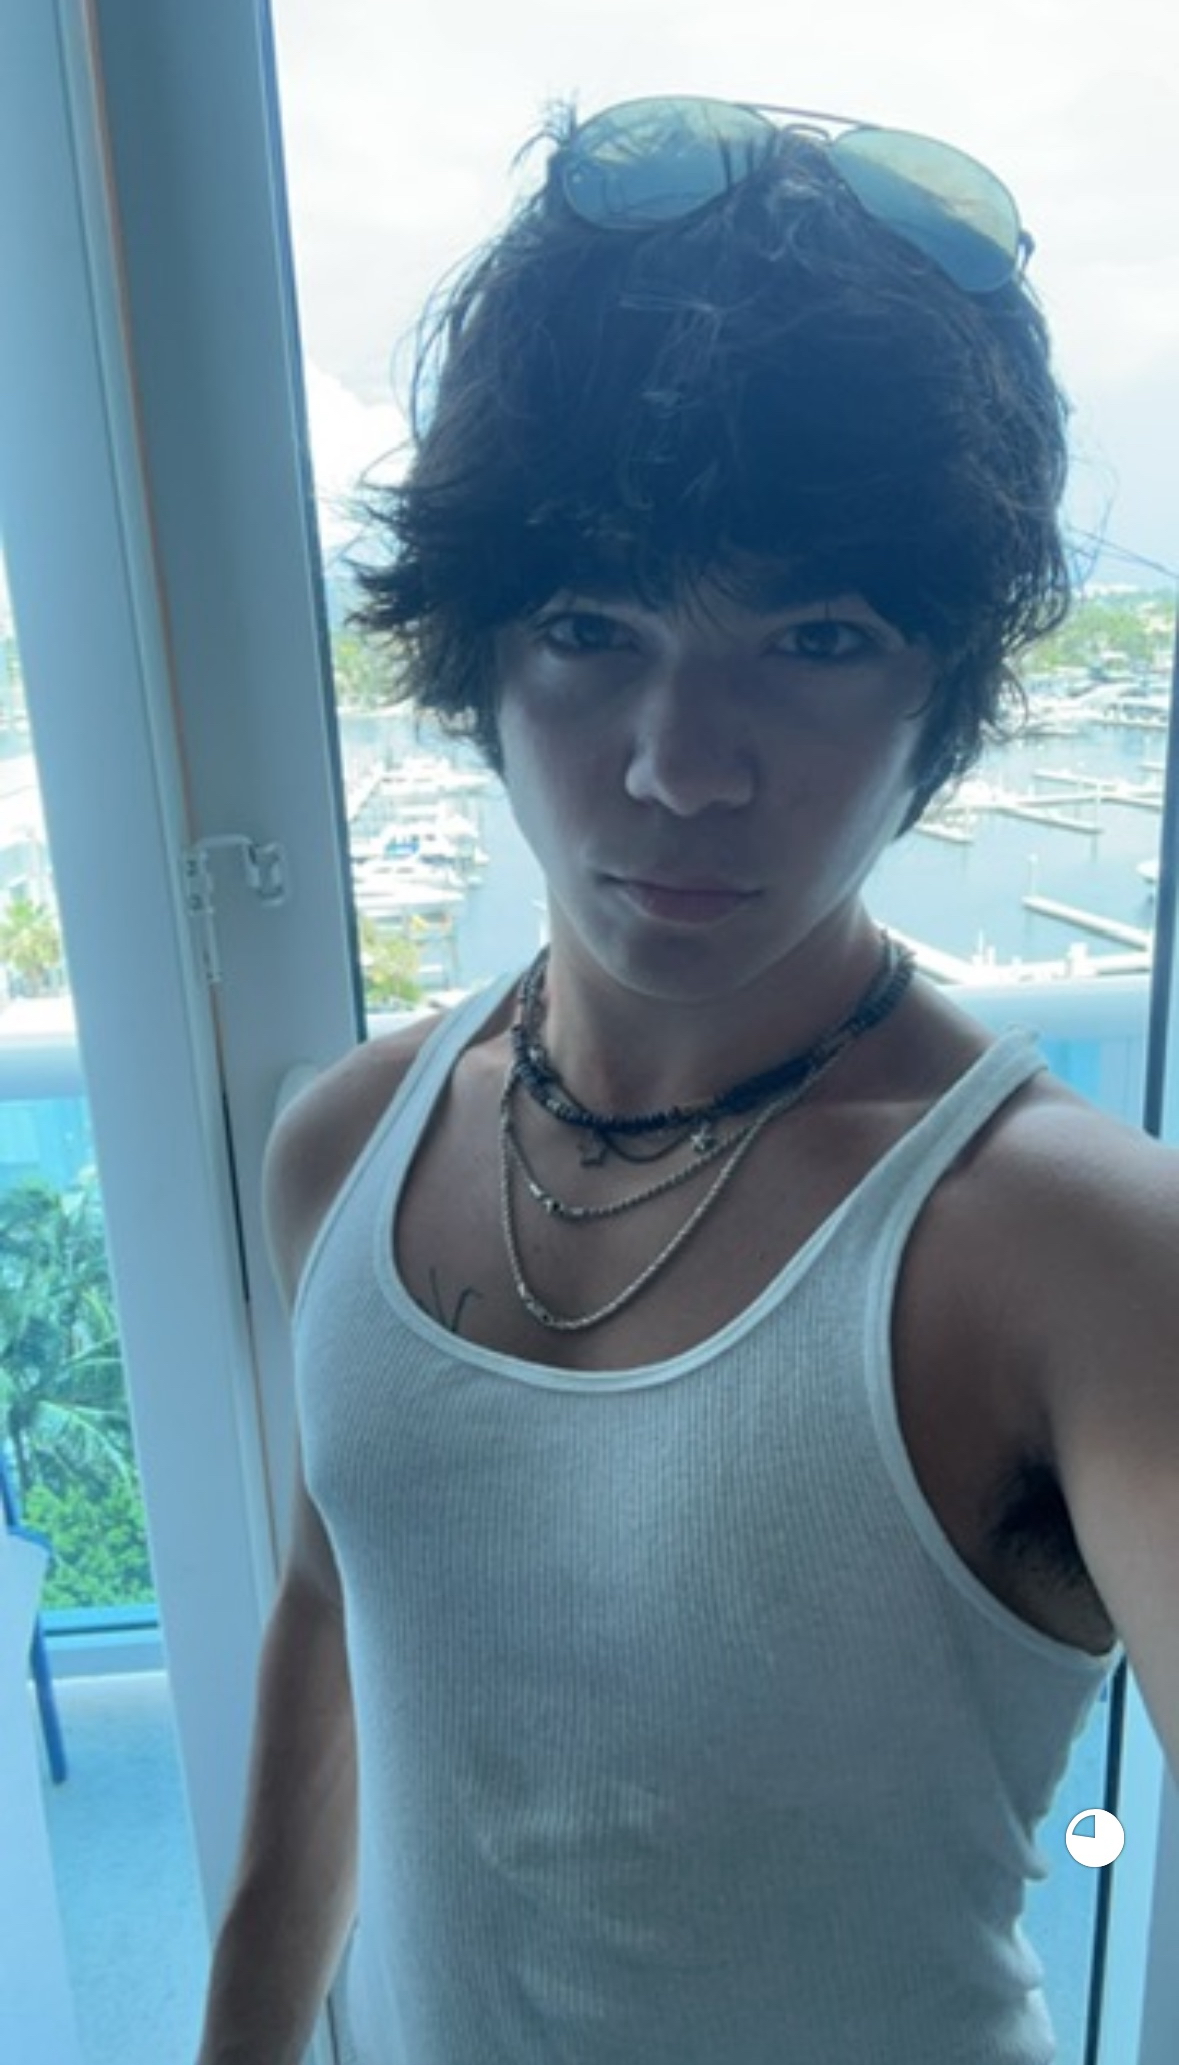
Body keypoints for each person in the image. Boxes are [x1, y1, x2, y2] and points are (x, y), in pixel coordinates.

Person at [197, 98, 1179, 2065]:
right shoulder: (345, 1146)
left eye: (814, 636)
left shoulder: (1069, 1254)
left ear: (941, 685)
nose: (679, 762)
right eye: (589, 625)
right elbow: (333, 1613)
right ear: (478, 649)